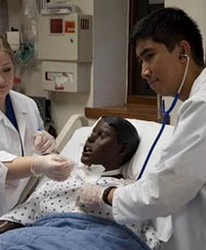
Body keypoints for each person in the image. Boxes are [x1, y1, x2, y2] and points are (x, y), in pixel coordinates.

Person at [75, 7, 206, 250]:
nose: (144, 71)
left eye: (150, 56)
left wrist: (105, 195)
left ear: (183, 52)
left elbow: (164, 191)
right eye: (140, 61)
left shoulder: (202, 106)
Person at [0, 116, 167, 250]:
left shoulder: (131, 191)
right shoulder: (60, 178)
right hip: (34, 237)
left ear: (122, 149)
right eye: (91, 134)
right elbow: (17, 217)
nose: (89, 141)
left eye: (101, 136)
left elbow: (141, 237)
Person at [0, 30, 73, 242]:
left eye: (7, 70)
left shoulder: (25, 104)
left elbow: (32, 144)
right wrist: (37, 164)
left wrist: (45, 143)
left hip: (13, 216)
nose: (0, 80)